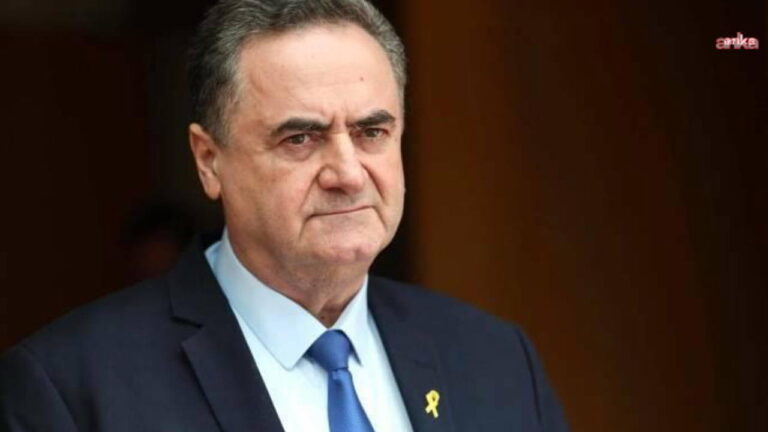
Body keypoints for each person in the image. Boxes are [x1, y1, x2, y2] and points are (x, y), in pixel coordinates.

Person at [0, 0, 569, 431]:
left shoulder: (495, 359)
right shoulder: (70, 387)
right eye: (300, 138)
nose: (347, 173)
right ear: (209, 161)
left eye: (372, 132)